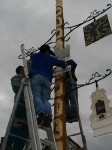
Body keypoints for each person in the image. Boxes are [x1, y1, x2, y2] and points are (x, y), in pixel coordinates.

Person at [29, 44, 67, 127]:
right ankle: (49, 115)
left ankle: (41, 113)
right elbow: (62, 64)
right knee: (45, 99)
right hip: (46, 79)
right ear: (47, 51)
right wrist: (63, 63)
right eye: (49, 52)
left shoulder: (34, 56)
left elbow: (31, 58)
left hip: (36, 77)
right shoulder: (50, 58)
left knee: (36, 96)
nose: (49, 54)